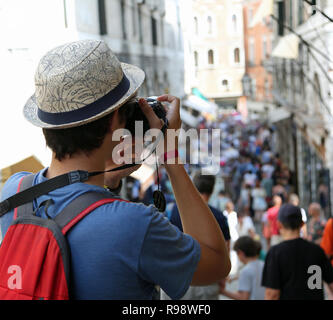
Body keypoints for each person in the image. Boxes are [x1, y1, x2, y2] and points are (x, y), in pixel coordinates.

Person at [0, 40, 230, 299]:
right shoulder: (134, 224)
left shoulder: (14, 192)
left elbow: (73, 198)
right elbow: (217, 262)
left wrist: (106, 173)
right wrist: (169, 154)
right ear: (113, 120)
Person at [162, 173, 231, 300]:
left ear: (193, 186)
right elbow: (225, 249)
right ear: (212, 189)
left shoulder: (172, 211)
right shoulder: (218, 216)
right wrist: (222, 278)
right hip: (207, 279)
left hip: (175, 278)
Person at [262, 204, 333, 300]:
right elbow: (331, 283)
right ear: (302, 224)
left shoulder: (275, 253)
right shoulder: (317, 251)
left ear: (279, 224)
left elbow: (272, 294)